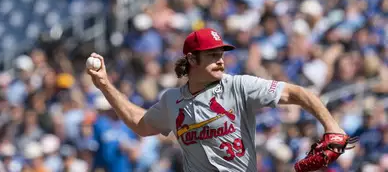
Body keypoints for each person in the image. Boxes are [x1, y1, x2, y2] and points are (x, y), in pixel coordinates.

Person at [86, 28, 349, 172]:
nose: (220, 59)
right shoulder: (173, 100)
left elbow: (298, 93)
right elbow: (140, 124)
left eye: (221, 53)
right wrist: (105, 85)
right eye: (211, 55)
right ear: (191, 59)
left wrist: (332, 127)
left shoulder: (238, 85)